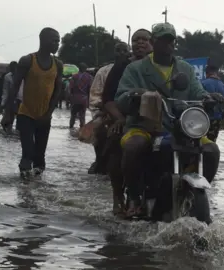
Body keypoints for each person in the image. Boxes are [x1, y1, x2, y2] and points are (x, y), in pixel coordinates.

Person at [115, 23, 224, 217]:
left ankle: (193, 190)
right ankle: (133, 197)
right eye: (163, 40)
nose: (167, 44)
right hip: (143, 126)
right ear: (154, 42)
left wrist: (209, 98)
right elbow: (121, 98)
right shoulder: (136, 69)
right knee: (134, 146)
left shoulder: (185, 69)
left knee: (211, 150)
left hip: (179, 127)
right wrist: (136, 95)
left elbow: (197, 92)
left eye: (170, 40)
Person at [100, 29, 153, 215]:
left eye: (144, 39)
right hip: (124, 117)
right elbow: (107, 99)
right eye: (136, 40)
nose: (140, 43)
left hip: (157, 120)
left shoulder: (159, 66)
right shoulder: (122, 66)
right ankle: (119, 196)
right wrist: (120, 118)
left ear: (152, 42)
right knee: (116, 142)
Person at [1, 27, 63, 178]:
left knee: (40, 159)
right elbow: (14, 87)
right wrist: (8, 114)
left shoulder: (58, 65)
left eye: (58, 41)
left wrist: (48, 114)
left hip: (44, 117)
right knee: (27, 154)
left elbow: (57, 91)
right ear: (43, 40)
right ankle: (24, 191)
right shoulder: (27, 61)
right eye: (54, 41)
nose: (57, 44)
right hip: (26, 114)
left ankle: (35, 192)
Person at [87, 42, 130, 175]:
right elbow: (95, 95)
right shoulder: (103, 71)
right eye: (118, 50)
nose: (121, 53)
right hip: (105, 112)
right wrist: (106, 110)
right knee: (99, 131)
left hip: (127, 112)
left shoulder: (132, 69)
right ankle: (99, 161)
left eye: (124, 50)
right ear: (114, 52)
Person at [201, 64, 224, 142]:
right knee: (211, 145)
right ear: (216, 73)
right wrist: (220, 117)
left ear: (207, 73)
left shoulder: (203, 83)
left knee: (198, 143)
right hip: (216, 121)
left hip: (202, 118)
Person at [68, 63, 93, 129]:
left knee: (73, 115)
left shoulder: (74, 76)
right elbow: (90, 89)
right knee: (82, 116)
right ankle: (82, 130)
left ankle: (70, 130)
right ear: (85, 69)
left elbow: (70, 88)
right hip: (84, 99)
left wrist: (69, 98)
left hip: (75, 99)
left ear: (79, 68)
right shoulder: (89, 77)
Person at [0, 61, 22, 132]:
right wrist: (3, 103)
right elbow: (5, 90)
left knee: (20, 118)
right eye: (11, 68)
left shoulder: (22, 75)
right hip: (11, 99)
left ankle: (17, 133)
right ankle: (9, 133)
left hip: (21, 99)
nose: (13, 69)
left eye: (14, 68)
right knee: (9, 119)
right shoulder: (7, 76)